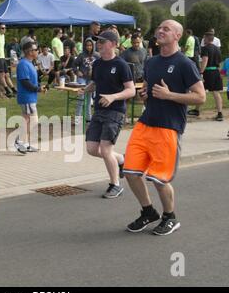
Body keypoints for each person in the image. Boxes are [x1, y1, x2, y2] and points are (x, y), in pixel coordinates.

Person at [123, 20, 205, 236]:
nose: (160, 31)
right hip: (145, 124)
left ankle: (170, 217)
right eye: (159, 28)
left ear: (177, 36)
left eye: (166, 29)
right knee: (130, 172)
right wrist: (145, 94)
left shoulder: (185, 63)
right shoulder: (151, 61)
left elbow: (200, 97)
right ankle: (148, 212)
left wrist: (170, 96)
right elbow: (149, 88)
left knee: (160, 179)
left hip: (168, 128)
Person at [79, 31, 135, 198]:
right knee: (91, 148)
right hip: (99, 111)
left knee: (105, 150)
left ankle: (115, 185)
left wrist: (113, 97)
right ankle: (121, 160)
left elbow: (131, 90)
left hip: (115, 112)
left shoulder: (121, 65)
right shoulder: (97, 64)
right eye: (98, 41)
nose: (98, 43)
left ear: (113, 43)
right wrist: (85, 89)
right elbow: (96, 82)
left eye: (102, 41)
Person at [14, 41, 46, 154]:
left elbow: (31, 80)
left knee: (27, 120)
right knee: (32, 120)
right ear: (30, 51)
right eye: (36, 49)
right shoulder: (23, 64)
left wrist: (39, 87)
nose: (38, 51)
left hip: (31, 97)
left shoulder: (30, 63)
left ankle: (25, 144)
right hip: (26, 97)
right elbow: (25, 82)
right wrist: (37, 89)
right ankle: (19, 141)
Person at [187, 32, 223, 121]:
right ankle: (220, 113)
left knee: (200, 91)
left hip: (208, 72)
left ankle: (197, 110)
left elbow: (205, 60)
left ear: (207, 38)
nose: (203, 40)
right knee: (216, 92)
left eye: (204, 38)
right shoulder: (217, 49)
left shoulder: (205, 48)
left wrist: (201, 72)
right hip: (216, 72)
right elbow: (219, 62)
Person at [73, 38, 100, 125]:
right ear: (85, 46)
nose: (89, 47)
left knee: (89, 99)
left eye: (90, 45)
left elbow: (101, 66)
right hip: (82, 79)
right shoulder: (81, 55)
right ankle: (78, 119)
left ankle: (88, 118)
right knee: (81, 98)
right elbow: (74, 65)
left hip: (92, 80)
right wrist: (77, 71)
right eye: (87, 45)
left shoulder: (97, 55)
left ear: (93, 46)